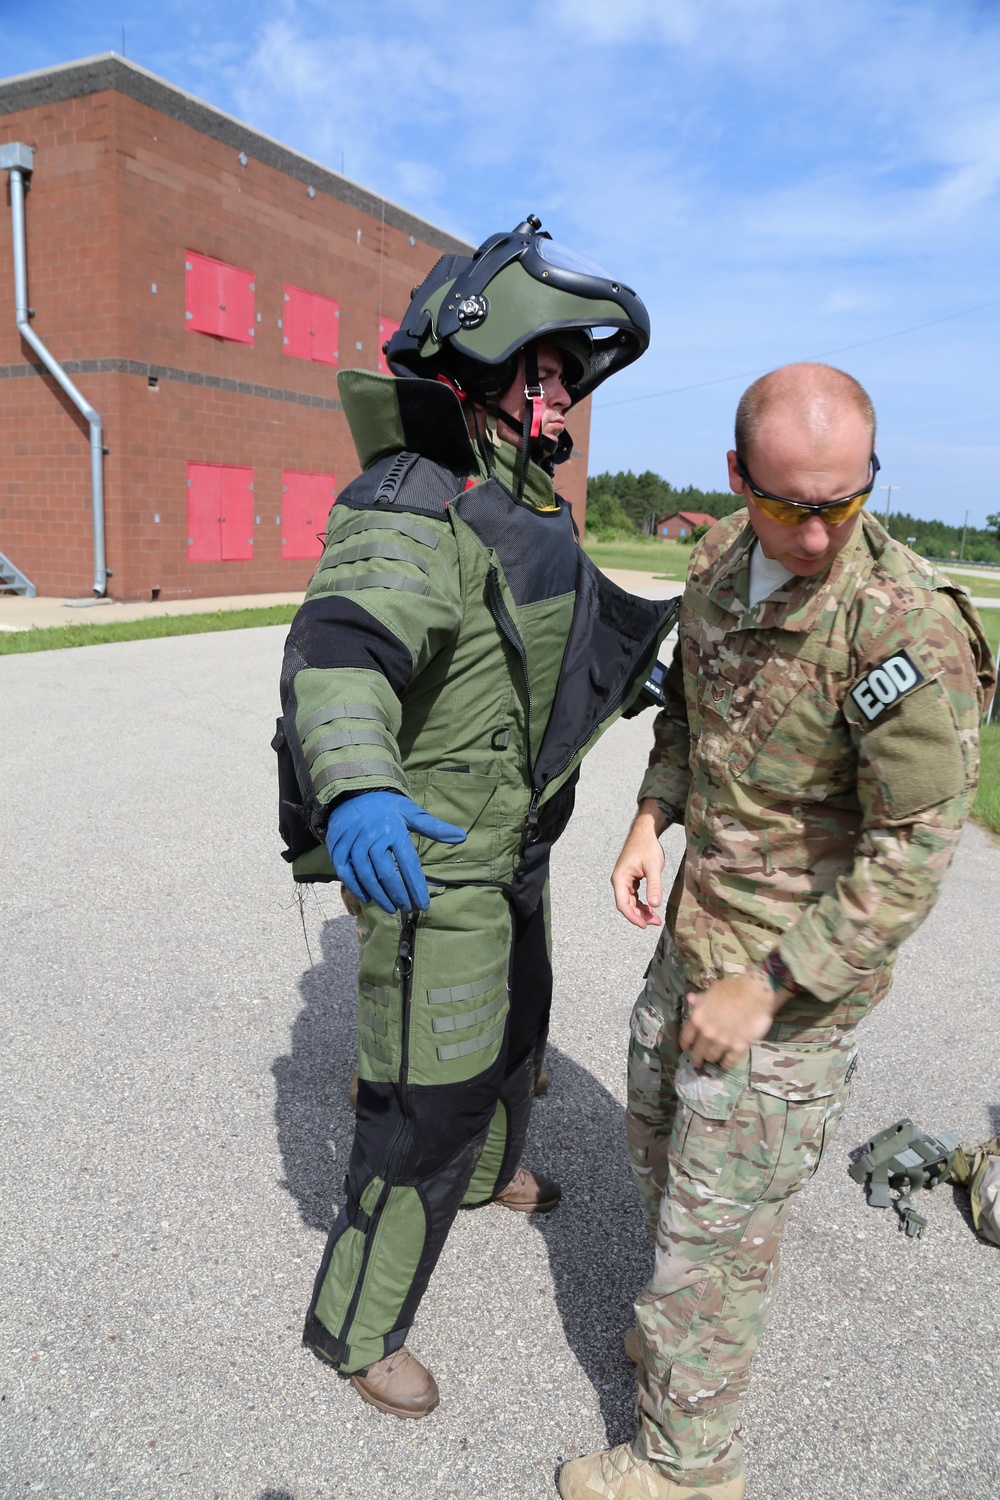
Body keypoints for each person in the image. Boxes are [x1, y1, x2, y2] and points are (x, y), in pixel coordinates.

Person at [559, 362, 994, 1500]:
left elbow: (912, 855)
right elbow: (692, 714)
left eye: (843, 502)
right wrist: (650, 820)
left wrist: (773, 982)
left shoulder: (902, 628)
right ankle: (680, 1349)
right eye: (790, 503)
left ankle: (686, 1467)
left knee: (716, 1232)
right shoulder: (713, 561)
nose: (815, 533)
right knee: (656, 1156)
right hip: (695, 945)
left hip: (789, 992)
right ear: (737, 477)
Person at [274, 217, 678, 1419]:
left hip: (517, 850)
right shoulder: (413, 497)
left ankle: (498, 1177)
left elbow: (536, 648)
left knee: (517, 1040)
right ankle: (357, 1330)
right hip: (427, 863)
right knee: (423, 1107)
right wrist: (358, 783)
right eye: (541, 369)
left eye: (566, 375)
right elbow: (339, 652)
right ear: (477, 363)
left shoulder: (530, 502)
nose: (558, 394)